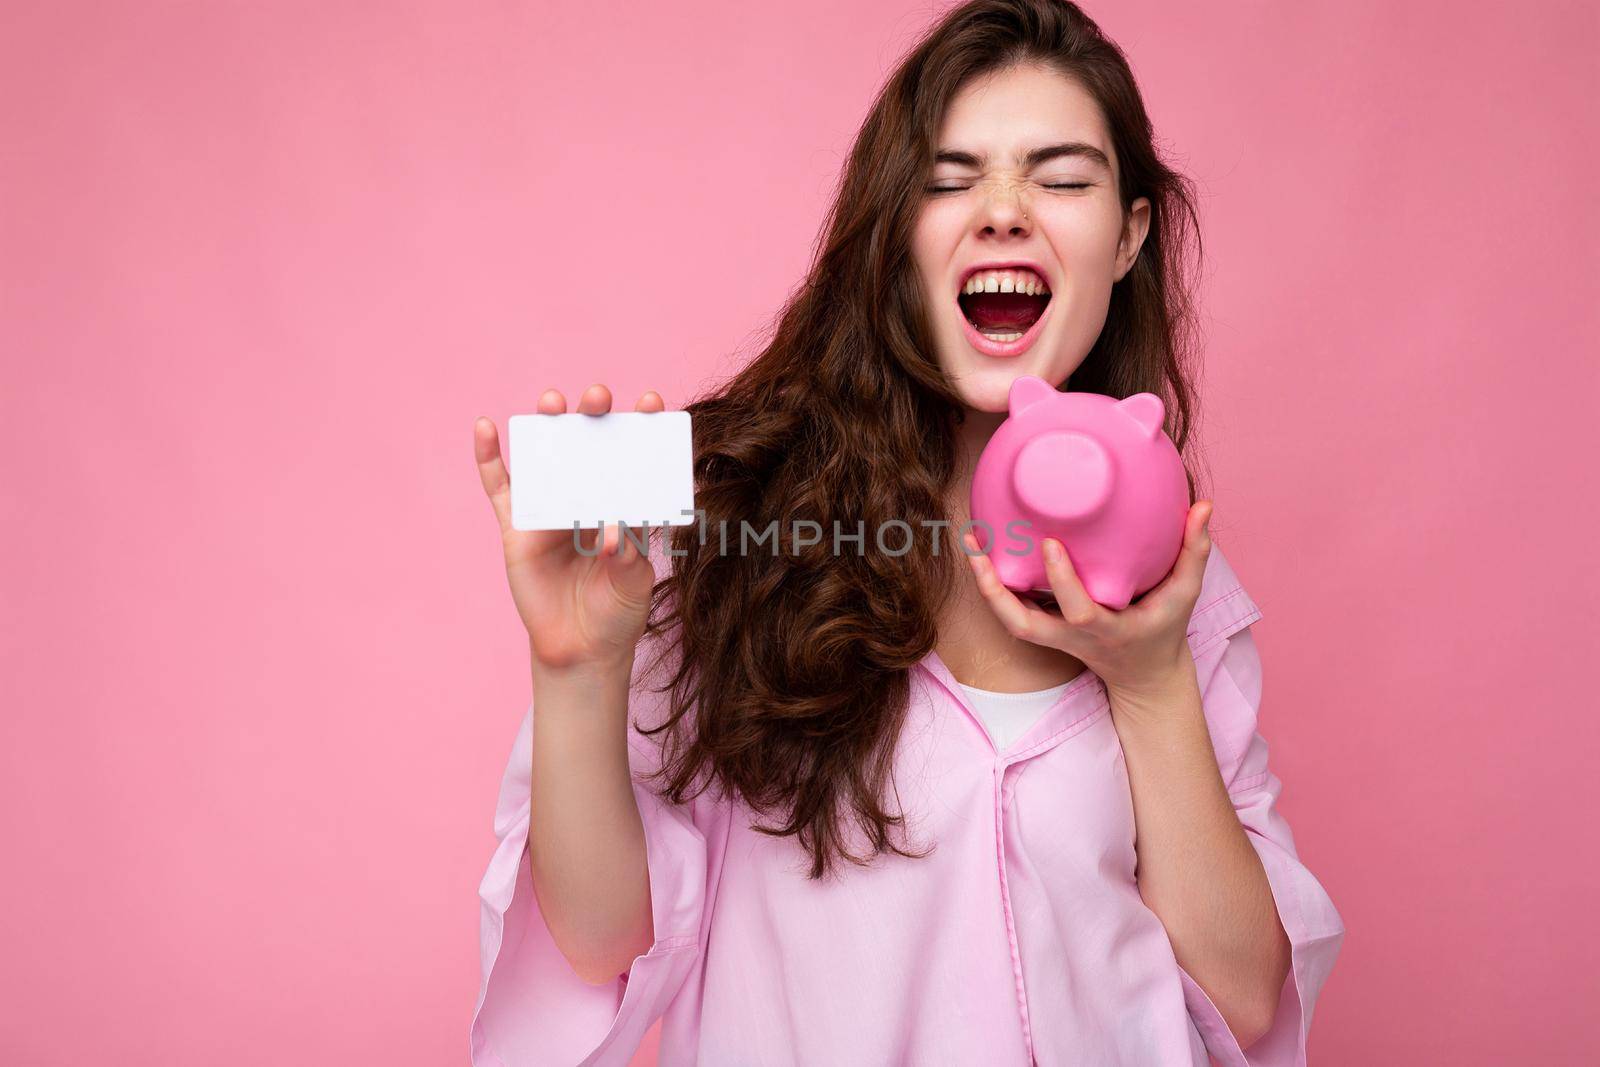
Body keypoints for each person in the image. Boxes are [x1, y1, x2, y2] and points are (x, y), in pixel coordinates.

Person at [468, 1, 1344, 1063]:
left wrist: (1150, 682)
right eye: (948, 177)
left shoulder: (1174, 582)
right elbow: (606, 936)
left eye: (1062, 179)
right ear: (893, 232)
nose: (1006, 212)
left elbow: (1246, 996)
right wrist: (575, 666)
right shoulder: (731, 520)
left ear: (1127, 236)